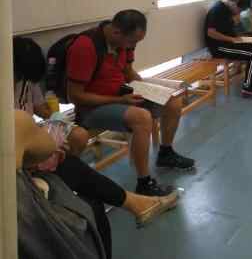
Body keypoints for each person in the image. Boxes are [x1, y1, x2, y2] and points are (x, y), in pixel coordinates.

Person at [15, 110, 178, 259]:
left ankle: (137, 202)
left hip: (19, 189)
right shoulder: (16, 119)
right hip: (22, 203)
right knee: (90, 201)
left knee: (76, 173)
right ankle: (138, 199)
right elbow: (45, 147)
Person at [66, 10, 193, 197]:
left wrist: (150, 91)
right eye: (132, 42)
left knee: (172, 102)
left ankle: (166, 153)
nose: (133, 47)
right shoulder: (85, 47)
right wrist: (119, 100)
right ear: (116, 32)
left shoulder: (122, 43)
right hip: (92, 108)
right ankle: (144, 183)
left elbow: (128, 72)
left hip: (121, 96)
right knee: (142, 118)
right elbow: (75, 96)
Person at [13, 36, 90, 155]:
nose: (20, 80)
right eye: (18, 76)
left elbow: (41, 109)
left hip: (30, 131)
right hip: (13, 138)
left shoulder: (27, 80)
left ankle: (61, 160)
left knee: (79, 135)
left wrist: (58, 119)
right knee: (48, 150)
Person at [204, 0, 252, 100]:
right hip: (219, 47)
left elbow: (229, 29)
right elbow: (210, 33)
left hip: (230, 42)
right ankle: (247, 88)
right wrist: (231, 39)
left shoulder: (229, 10)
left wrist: (241, 37)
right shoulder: (217, 9)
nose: (239, 12)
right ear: (234, 3)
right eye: (239, 10)